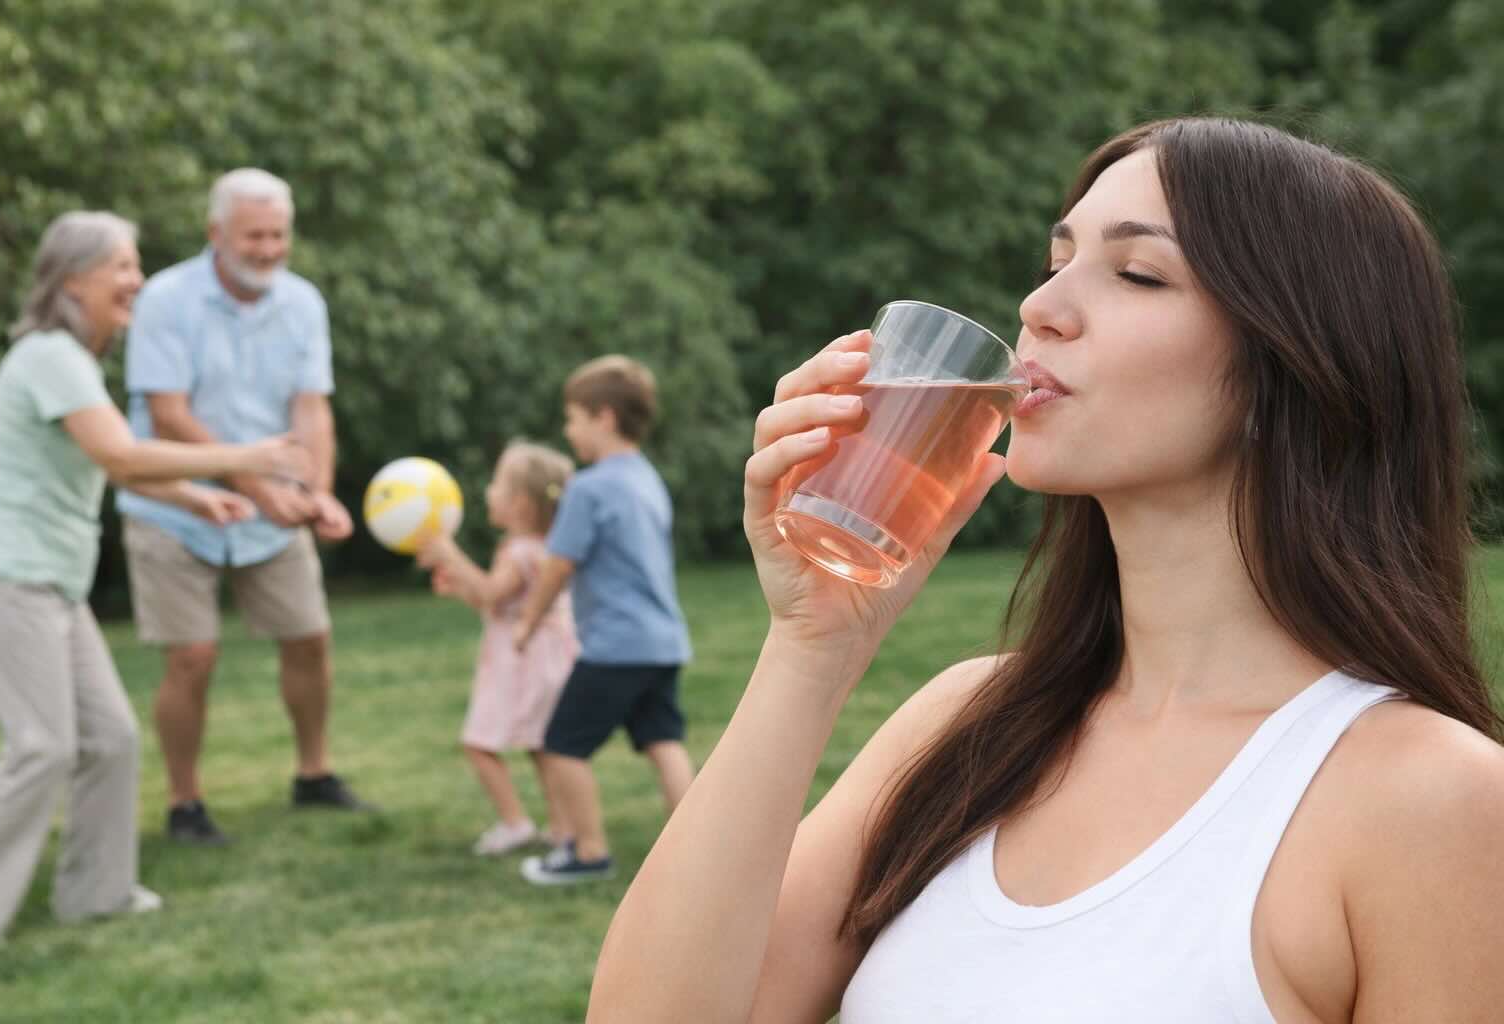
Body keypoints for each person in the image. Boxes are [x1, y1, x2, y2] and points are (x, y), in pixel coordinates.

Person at [588, 117, 1504, 1021]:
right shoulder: (965, 727)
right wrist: (811, 646)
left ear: (1299, 370)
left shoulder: (1434, 802)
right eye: (1056, 260)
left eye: (1137, 273)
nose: (1038, 308)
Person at [0, 211, 311, 941]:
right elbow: (123, 455)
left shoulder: (73, 363)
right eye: (121, 267)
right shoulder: (50, 356)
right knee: (41, 746)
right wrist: (240, 459)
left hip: (52, 578)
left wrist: (194, 494)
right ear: (72, 281)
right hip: (8, 573)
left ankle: (97, 894)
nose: (138, 281)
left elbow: (111, 457)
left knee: (111, 737)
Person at [114, 168, 371, 846]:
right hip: (177, 502)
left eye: (278, 235)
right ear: (216, 234)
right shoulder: (166, 298)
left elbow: (311, 407)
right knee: (193, 655)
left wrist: (316, 496)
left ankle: (314, 773)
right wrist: (259, 486)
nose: (267, 249)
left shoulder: (303, 303)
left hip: (275, 503)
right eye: (253, 235)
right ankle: (184, 803)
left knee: (310, 638)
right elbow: (168, 415)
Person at [510, 355, 696, 885]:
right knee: (662, 740)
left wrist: (527, 622)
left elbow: (556, 566)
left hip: (616, 645)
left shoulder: (588, 488)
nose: (569, 431)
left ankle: (587, 852)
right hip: (663, 641)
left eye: (573, 419)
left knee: (563, 745)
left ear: (604, 417)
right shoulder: (647, 480)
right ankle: (694, 849)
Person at [416, 440, 578, 855]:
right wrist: (460, 589)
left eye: (495, 484)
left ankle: (515, 823)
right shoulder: (546, 548)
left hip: (521, 662)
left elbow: (492, 594)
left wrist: (449, 553)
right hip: (549, 657)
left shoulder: (518, 550)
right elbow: (499, 603)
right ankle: (563, 829)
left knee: (479, 743)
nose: (488, 492)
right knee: (543, 746)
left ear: (521, 504)